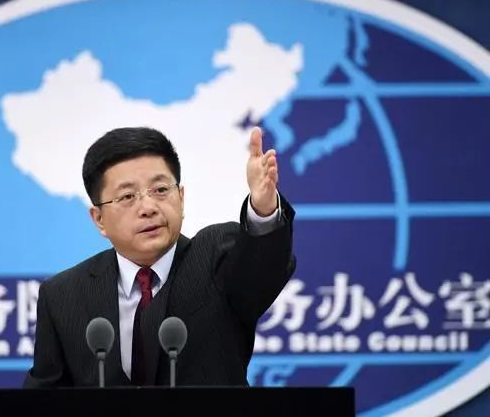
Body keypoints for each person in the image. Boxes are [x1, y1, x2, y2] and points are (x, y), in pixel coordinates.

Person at [23, 125, 296, 387]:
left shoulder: (216, 257)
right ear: (99, 219)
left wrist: (263, 210)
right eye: (127, 197)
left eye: (161, 190)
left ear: (181, 197)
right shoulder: (63, 297)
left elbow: (261, 269)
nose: (148, 207)